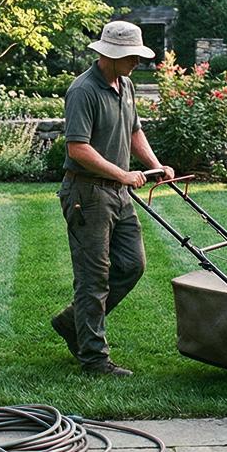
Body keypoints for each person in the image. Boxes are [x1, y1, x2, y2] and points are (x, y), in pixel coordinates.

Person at [50, 20, 174, 377]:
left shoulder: (127, 84)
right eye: (131, 56)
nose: (137, 61)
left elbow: (134, 130)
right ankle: (94, 358)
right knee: (94, 277)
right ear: (111, 54)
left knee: (132, 264)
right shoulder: (83, 90)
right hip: (87, 193)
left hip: (118, 194)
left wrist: (154, 165)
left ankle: (74, 321)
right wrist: (121, 174)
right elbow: (78, 148)